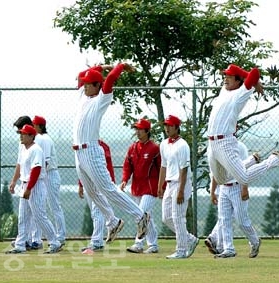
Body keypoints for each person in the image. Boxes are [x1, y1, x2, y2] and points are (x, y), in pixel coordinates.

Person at [73, 63, 149, 243]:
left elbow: (110, 80)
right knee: (92, 193)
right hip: (78, 153)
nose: (84, 85)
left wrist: (120, 66)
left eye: (88, 83)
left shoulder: (101, 99)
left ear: (97, 86)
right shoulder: (83, 96)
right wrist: (101, 66)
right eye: (84, 83)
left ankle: (140, 216)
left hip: (91, 150)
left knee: (107, 189)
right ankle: (112, 221)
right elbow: (80, 74)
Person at [207, 64, 279, 190]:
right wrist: (253, 82)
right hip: (212, 143)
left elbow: (254, 72)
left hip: (224, 142)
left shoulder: (241, 92)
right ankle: (252, 160)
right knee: (221, 180)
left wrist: (255, 82)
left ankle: (275, 159)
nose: (225, 78)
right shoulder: (224, 90)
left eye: (230, 76)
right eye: (225, 75)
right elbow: (246, 76)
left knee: (244, 178)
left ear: (238, 81)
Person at [6, 124, 62, 254]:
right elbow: (20, 166)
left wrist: (29, 188)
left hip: (35, 185)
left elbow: (36, 170)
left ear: (32, 136)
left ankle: (55, 242)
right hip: (25, 184)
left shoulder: (36, 149)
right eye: (21, 133)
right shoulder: (24, 149)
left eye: (24, 134)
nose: (21, 136)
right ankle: (20, 245)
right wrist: (14, 181)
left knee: (39, 216)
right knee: (23, 217)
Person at [207, 139, 261, 258]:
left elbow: (244, 169)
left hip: (237, 186)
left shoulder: (239, 146)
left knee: (242, 220)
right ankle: (228, 248)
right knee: (224, 219)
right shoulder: (215, 148)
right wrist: (213, 191)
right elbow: (216, 171)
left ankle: (255, 241)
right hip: (223, 187)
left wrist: (244, 187)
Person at [157, 115, 198, 259]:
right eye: (165, 125)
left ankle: (181, 250)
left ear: (176, 127)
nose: (167, 128)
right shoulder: (164, 144)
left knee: (178, 217)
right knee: (166, 217)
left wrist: (181, 190)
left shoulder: (183, 145)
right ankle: (190, 239)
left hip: (181, 183)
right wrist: (160, 185)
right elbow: (163, 165)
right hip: (169, 183)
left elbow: (184, 169)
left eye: (170, 125)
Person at [121, 118, 161, 254]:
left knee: (141, 214)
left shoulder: (154, 148)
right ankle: (153, 244)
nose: (137, 132)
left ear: (147, 131)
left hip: (150, 187)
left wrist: (162, 186)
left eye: (140, 129)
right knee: (146, 215)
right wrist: (125, 180)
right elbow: (127, 166)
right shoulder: (132, 148)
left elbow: (162, 168)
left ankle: (138, 243)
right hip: (136, 187)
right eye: (136, 129)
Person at [8, 116, 41, 250]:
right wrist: (14, 180)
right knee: (25, 214)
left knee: (38, 213)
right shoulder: (23, 144)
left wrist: (31, 184)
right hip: (26, 180)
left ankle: (37, 240)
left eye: (21, 131)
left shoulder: (38, 143)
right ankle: (24, 241)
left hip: (38, 180)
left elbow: (39, 166)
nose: (20, 135)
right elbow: (20, 163)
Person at [32, 115, 66, 246]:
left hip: (50, 174)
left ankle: (61, 236)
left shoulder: (44, 139)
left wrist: (39, 177)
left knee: (54, 206)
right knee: (40, 208)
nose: (33, 127)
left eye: (34, 124)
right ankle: (37, 238)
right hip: (45, 175)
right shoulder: (39, 139)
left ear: (39, 126)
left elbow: (45, 161)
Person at [79, 139, 112, 254]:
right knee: (95, 213)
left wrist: (109, 184)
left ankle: (97, 241)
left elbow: (107, 166)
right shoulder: (82, 146)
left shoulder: (102, 146)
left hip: (99, 183)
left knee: (97, 211)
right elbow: (82, 167)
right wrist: (81, 184)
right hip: (88, 183)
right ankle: (98, 240)